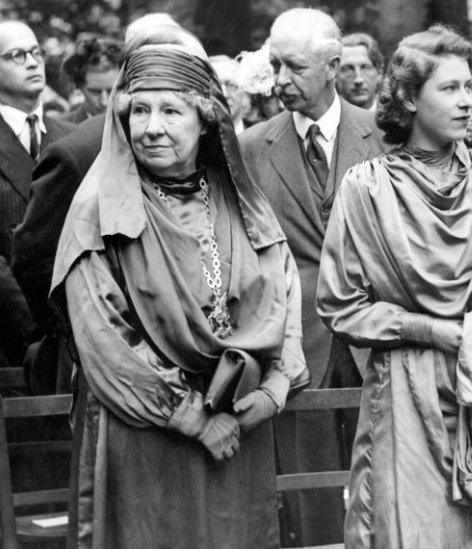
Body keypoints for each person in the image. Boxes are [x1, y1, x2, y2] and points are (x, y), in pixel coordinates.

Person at [50, 41, 309, 547]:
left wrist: (275, 389)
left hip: (241, 426)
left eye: (171, 110)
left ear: (205, 119)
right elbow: (104, 338)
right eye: (139, 110)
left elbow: (284, 291)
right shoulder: (99, 208)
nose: (151, 127)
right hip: (148, 435)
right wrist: (192, 418)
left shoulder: (240, 197)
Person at [317, 25, 472, 548]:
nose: (468, 101)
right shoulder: (367, 188)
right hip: (409, 393)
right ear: (407, 97)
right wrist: (429, 330)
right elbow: (339, 306)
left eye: (469, 88)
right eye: (449, 89)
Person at [238, 8, 386, 545]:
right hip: (298, 344)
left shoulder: (385, 136)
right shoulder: (252, 146)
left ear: (333, 65)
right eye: (274, 65)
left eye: (293, 67)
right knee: (309, 498)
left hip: (379, 338)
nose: (279, 80)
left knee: (387, 484)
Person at [12, 20, 200, 394]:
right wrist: (91, 329)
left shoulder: (204, 153)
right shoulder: (76, 155)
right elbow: (35, 264)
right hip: (107, 370)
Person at [0, 21, 75, 373]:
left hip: (78, 333)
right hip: (11, 340)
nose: (33, 62)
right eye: (17, 55)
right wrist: (36, 330)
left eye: (37, 53)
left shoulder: (73, 139)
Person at [59, 35, 123, 124]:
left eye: (111, 91)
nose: (104, 102)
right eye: (95, 92)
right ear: (80, 87)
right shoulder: (61, 127)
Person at [336, 33, 383, 110]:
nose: (358, 80)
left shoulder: (394, 119)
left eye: (365, 67)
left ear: (379, 72)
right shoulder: (327, 120)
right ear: (335, 76)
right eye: (348, 69)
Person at [209, 55, 252, 133]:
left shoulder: (260, 137)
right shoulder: (193, 141)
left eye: (231, 85)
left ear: (246, 95)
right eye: (215, 86)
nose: (224, 94)